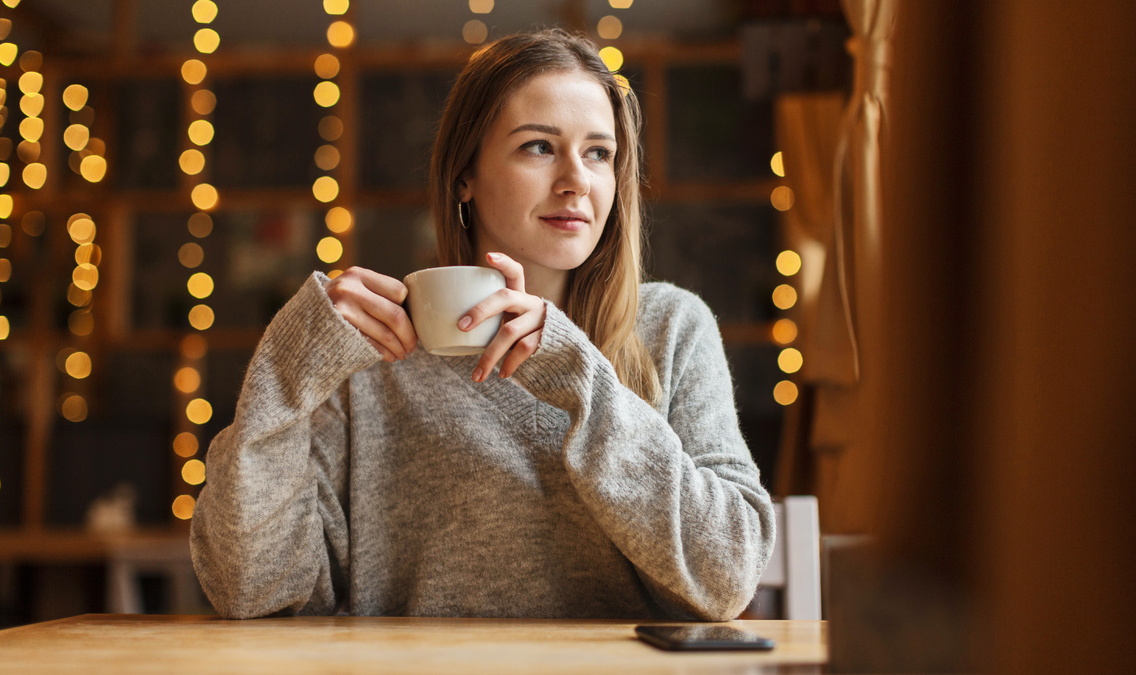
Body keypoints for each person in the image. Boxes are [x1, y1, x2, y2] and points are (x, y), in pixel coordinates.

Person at [191, 28, 775, 621]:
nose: (577, 180)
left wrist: (578, 376)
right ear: (463, 175)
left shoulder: (671, 327)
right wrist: (288, 372)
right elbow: (255, 594)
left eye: (599, 152)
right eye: (539, 147)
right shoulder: (368, 359)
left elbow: (727, 577)